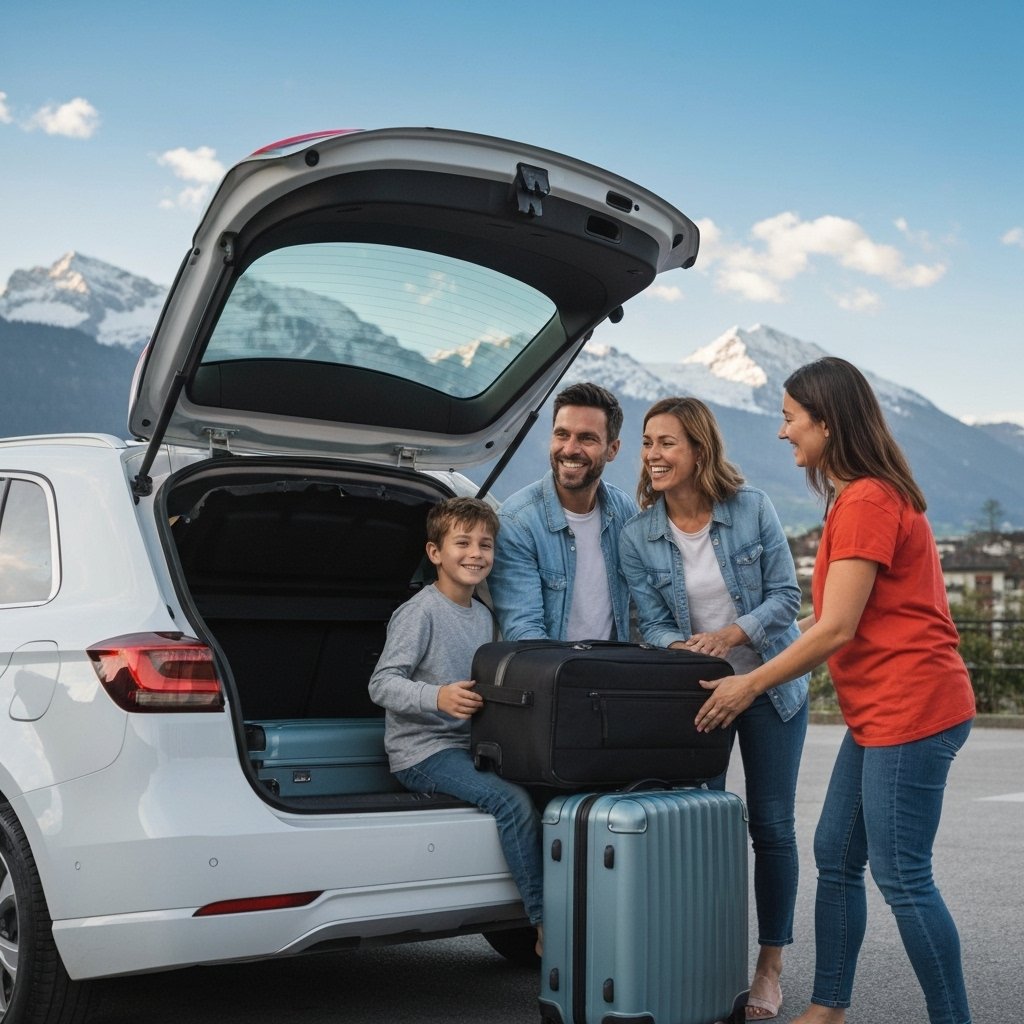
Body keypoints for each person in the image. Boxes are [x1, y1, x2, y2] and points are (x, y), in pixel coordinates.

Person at [695, 357, 976, 1024]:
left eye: (791, 419)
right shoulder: (860, 496)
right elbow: (830, 617)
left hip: (914, 708)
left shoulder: (868, 500)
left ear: (828, 421)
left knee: (904, 875)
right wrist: (744, 641)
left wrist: (749, 685)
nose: (784, 432)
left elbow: (838, 629)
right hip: (885, 710)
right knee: (836, 854)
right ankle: (827, 1008)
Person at [618, 396, 809, 1022]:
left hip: (769, 687)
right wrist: (683, 647)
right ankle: (705, 960)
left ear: (699, 449)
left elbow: (786, 596)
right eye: (648, 443)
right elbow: (647, 625)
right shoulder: (637, 534)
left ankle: (769, 966)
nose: (654, 454)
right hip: (699, 696)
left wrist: (729, 638)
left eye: (667, 442)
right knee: (702, 828)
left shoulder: (751, 508)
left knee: (771, 828)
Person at [368, 496, 544, 954]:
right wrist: (438, 697)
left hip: (468, 747)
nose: (475, 554)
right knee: (512, 801)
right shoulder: (419, 612)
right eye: (462, 542)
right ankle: (545, 925)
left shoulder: (484, 616)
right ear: (435, 554)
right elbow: (382, 684)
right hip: (422, 752)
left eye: (485, 544)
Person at [488, 381, 636, 641]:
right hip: (548, 677)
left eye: (587, 438)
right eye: (562, 434)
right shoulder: (517, 522)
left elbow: (639, 607)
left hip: (615, 673)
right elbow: (524, 633)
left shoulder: (623, 511)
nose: (569, 449)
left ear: (612, 449)